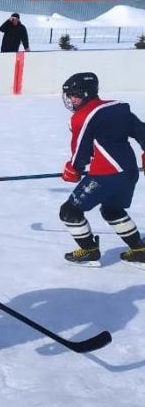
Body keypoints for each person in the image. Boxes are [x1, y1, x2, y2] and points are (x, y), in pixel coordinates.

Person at [59, 72, 145, 266]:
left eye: (75, 94)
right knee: (112, 210)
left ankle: (89, 251)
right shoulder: (117, 108)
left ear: (87, 93)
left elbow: (81, 149)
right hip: (129, 173)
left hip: (106, 175)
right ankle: (140, 250)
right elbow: (142, 131)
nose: (72, 99)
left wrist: (73, 169)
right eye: (70, 95)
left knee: (69, 211)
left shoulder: (83, 116)